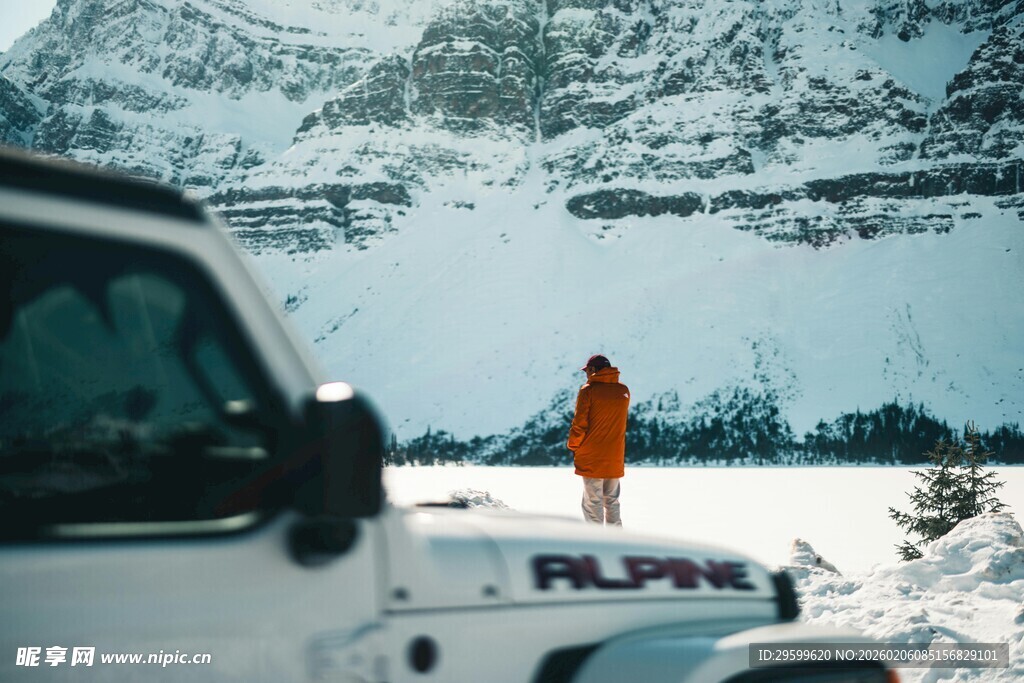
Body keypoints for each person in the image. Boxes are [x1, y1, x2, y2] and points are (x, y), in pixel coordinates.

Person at [567, 354, 630, 526]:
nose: (586, 374)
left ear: (593, 369)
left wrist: (573, 445)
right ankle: (615, 537)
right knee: (612, 500)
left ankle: (595, 538)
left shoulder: (588, 390)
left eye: (587, 370)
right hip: (615, 456)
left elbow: (580, 424)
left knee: (592, 502)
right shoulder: (623, 391)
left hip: (592, 457)